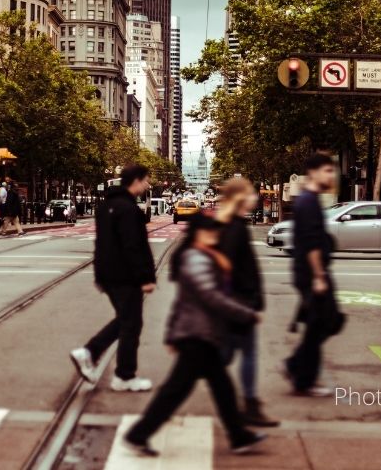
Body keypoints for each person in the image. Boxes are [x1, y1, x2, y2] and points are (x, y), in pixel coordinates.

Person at [122, 213, 266, 457]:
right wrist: (246, 314)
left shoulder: (203, 256)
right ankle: (138, 434)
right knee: (178, 391)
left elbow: (181, 303)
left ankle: (238, 435)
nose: (215, 235)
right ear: (198, 233)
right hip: (197, 337)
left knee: (218, 389)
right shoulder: (197, 259)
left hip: (200, 335)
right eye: (210, 231)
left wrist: (170, 333)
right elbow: (211, 297)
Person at [70, 164, 157, 392]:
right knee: (132, 323)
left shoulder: (106, 206)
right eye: (146, 180)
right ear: (136, 181)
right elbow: (134, 247)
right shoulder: (129, 210)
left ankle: (91, 352)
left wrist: (100, 275)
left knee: (126, 320)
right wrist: (146, 277)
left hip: (108, 275)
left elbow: (102, 245)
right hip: (126, 276)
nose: (148, 185)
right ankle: (123, 375)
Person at [215, 177, 278, 427]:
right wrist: (247, 303)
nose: (256, 195)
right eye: (251, 192)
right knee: (237, 355)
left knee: (226, 356)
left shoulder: (233, 224)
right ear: (241, 197)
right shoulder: (234, 228)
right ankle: (249, 405)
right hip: (239, 305)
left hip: (238, 303)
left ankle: (248, 404)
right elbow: (229, 268)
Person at [286, 152, 343, 397]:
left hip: (311, 273)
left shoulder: (312, 200)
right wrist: (319, 276)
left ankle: (297, 368)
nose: (332, 175)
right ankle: (302, 376)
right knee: (324, 323)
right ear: (314, 172)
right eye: (328, 171)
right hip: (312, 274)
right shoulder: (308, 202)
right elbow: (311, 244)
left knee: (323, 323)